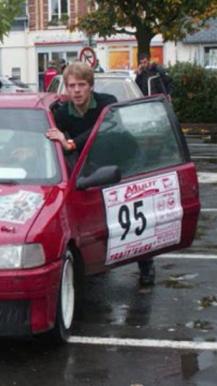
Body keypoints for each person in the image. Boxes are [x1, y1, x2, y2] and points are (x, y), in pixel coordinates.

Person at [46, 62, 155, 286]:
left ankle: (146, 265)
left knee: (132, 216)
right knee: (97, 213)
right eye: (71, 85)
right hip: (95, 165)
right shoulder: (63, 112)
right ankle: (98, 262)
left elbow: (103, 129)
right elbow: (48, 133)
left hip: (125, 159)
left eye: (81, 85)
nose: (76, 90)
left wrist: (71, 143)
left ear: (91, 86)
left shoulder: (108, 104)